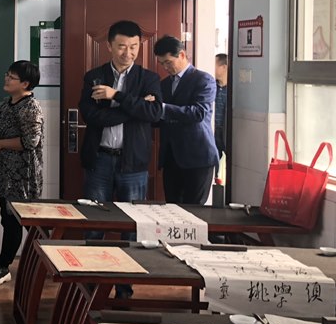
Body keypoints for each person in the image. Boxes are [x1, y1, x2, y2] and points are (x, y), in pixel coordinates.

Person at [79, 20, 163, 204]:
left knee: (133, 218)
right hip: (99, 159)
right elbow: (91, 116)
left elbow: (154, 113)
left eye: (134, 47)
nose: (128, 53)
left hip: (133, 161)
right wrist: (136, 108)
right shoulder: (94, 77)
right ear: (109, 46)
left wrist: (116, 95)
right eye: (122, 47)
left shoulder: (149, 79)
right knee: (95, 216)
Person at [0, 60, 44, 286]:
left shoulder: (31, 108)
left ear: (25, 84)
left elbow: (30, 141)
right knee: (7, 218)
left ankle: (3, 264)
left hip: (22, 176)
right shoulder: (5, 104)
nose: (6, 79)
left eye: (12, 77)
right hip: (5, 173)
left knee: (16, 221)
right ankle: (10, 264)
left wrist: (0, 143)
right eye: (7, 74)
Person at [152, 36, 219, 204]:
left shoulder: (203, 79)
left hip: (198, 156)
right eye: (162, 63)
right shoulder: (164, 84)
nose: (165, 68)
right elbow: (159, 118)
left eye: (168, 62)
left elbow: (199, 113)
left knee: (194, 211)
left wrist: (162, 108)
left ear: (182, 55)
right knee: (172, 209)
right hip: (171, 157)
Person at [214, 53, 228, 160]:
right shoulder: (211, 86)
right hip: (213, 130)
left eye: (214, 65)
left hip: (226, 131)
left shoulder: (233, 89)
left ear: (223, 67)